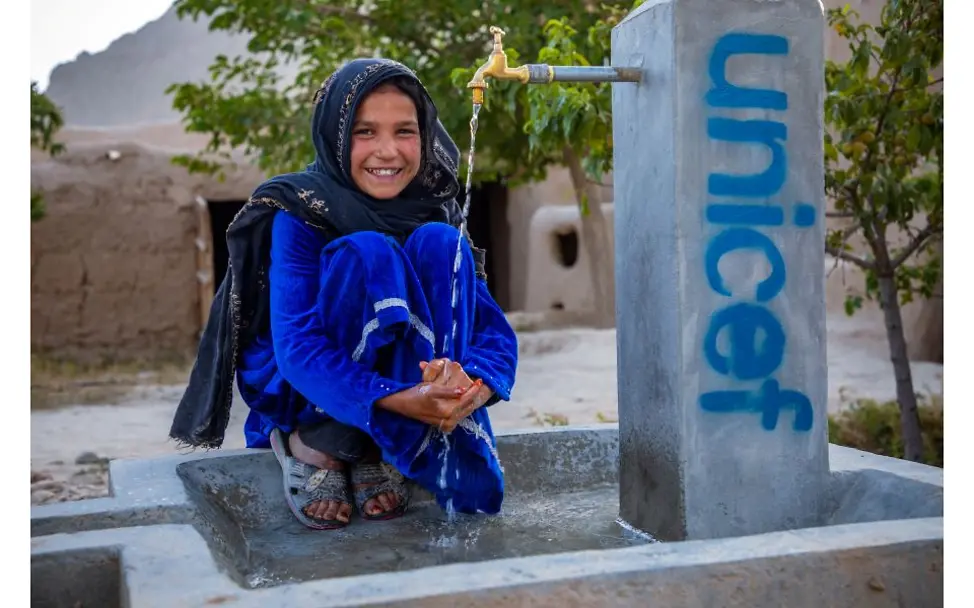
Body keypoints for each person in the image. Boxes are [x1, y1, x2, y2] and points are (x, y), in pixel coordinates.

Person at [169, 58, 518, 530]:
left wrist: (466, 386)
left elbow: (492, 332)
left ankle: (384, 443)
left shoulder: (439, 209)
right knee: (367, 252)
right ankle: (318, 443)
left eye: (405, 131)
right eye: (365, 132)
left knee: (441, 245)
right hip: (304, 381)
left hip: (412, 388)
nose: (388, 151)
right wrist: (399, 398)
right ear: (334, 133)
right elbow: (298, 349)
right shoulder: (300, 210)